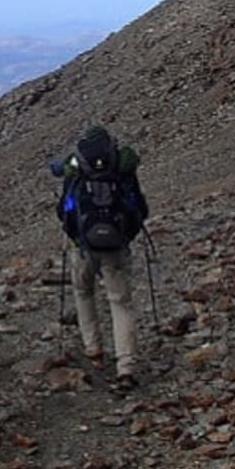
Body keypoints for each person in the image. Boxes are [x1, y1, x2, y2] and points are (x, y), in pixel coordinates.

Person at [53, 126, 149, 392]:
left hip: (82, 244)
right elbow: (140, 208)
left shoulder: (78, 167)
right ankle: (126, 367)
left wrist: (73, 233)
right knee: (121, 302)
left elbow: (64, 209)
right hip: (116, 245)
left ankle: (94, 350)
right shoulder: (120, 166)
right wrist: (127, 236)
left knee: (83, 292)